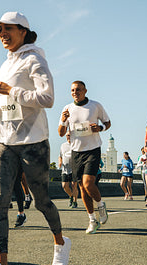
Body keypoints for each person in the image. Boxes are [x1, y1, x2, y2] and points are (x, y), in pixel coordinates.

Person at [0, 12, 71, 265]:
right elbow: (13, 104)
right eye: (0, 31)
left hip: (33, 142)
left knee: (41, 201)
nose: (2, 34)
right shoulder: (5, 64)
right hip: (3, 140)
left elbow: (48, 98)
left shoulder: (35, 59)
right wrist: (0, 110)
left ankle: (60, 241)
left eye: (7, 29)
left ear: (23, 31)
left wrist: (12, 92)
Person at [58, 80, 111, 234]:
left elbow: (107, 123)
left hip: (92, 149)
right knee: (82, 187)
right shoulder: (67, 109)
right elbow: (61, 133)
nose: (75, 92)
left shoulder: (95, 106)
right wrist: (63, 120)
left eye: (78, 90)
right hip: (76, 152)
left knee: (88, 184)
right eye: (73, 90)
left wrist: (100, 128)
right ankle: (92, 220)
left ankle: (100, 206)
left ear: (85, 91)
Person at [58, 132, 78, 208]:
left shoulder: (76, 145)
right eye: (67, 135)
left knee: (74, 185)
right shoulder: (63, 145)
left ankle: (75, 202)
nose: (68, 137)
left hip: (74, 169)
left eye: (69, 135)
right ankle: (71, 196)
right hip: (65, 169)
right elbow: (60, 156)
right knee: (64, 186)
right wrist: (60, 162)